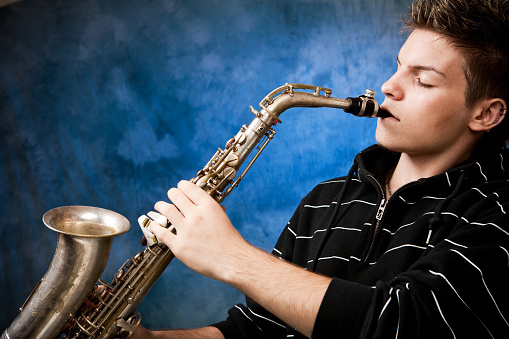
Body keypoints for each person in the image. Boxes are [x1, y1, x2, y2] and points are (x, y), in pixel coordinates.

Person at [132, 0, 509, 337]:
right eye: (397, 68)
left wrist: (232, 257)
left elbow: (400, 323)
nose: (389, 87)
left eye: (423, 80)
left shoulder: (497, 217)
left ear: (485, 113)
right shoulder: (323, 200)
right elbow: (258, 330)